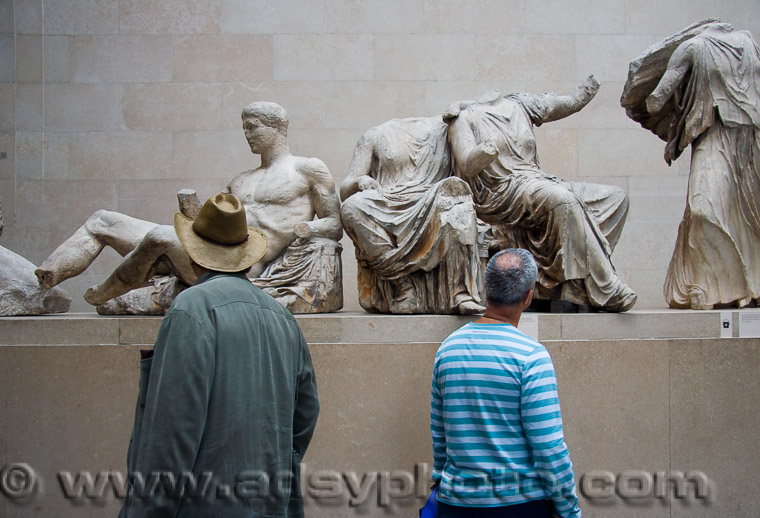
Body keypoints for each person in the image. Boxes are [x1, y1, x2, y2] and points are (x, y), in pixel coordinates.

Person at [35, 101, 343, 314]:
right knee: (103, 220)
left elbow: (334, 223)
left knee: (159, 236)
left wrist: (308, 228)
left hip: (242, 265)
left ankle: (104, 292)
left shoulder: (308, 169)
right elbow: (207, 226)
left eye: (253, 127)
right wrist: (192, 208)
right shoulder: (240, 180)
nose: (246, 134)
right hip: (208, 251)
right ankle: (46, 276)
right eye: (244, 128)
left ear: (276, 128)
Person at [119, 192, 320, 517]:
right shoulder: (281, 317)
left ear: (194, 255)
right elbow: (306, 413)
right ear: (244, 256)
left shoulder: (191, 309)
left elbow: (172, 429)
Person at [445, 79, 636, 312]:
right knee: (562, 200)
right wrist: (484, 152)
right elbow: (466, 164)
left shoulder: (521, 105)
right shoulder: (463, 117)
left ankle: (575, 285)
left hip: (537, 181)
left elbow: (569, 103)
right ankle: (606, 286)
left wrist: (588, 89)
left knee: (615, 198)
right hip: (503, 192)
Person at [431, 248, 581, 518]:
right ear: (528, 297)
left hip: (456, 503)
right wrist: (569, 510)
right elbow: (549, 447)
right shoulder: (531, 357)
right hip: (520, 505)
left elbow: (440, 433)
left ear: (485, 287)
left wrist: (441, 480)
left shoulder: (448, 349)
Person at [643, 22, 760, 309]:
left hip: (751, 138)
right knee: (702, 208)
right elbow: (659, 95)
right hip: (714, 134)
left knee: (752, 218)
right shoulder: (692, 48)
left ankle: (748, 286)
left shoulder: (751, 46)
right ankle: (703, 283)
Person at [340, 116, 484, 314]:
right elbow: (346, 187)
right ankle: (402, 284)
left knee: (458, 203)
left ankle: (459, 292)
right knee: (351, 207)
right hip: (387, 202)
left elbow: (469, 162)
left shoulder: (449, 128)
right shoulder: (374, 135)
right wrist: (359, 182)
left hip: (433, 200)